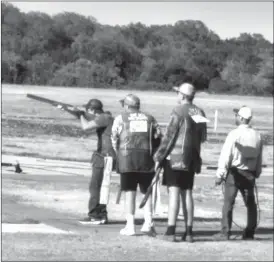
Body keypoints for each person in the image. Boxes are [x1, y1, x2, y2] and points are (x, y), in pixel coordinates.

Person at [154, 83, 208, 242]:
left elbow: (169, 136)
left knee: (174, 192)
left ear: (183, 96)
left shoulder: (178, 111)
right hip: (192, 158)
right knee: (188, 193)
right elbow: (203, 136)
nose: (177, 95)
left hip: (176, 158)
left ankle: (171, 231)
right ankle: (189, 232)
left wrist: (158, 157)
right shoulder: (199, 111)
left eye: (178, 93)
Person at [111, 94, 162, 236]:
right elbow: (158, 136)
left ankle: (130, 226)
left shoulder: (120, 118)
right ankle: (148, 223)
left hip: (127, 159)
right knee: (147, 191)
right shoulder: (150, 118)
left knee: (129, 192)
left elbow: (114, 138)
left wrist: (118, 153)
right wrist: (155, 154)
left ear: (127, 106)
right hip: (147, 159)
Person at [213, 106, 263, 240]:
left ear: (241, 118)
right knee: (251, 204)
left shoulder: (234, 134)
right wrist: (257, 171)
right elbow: (259, 156)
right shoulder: (257, 134)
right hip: (250, 173)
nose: (235, 117)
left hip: (235, 173)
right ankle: (249, 232)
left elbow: (225, 155)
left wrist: (220, 174)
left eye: (237, 115)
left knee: (228, 203)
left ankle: (225, 232)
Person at [76, 99, 116, 225]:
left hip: (104, 156)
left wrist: (80, 115)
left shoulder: (104, 118)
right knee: (101, 187)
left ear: (92, 110)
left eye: (87, 110)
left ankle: (95, 215)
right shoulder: (106, 117)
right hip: (106, 156)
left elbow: (86, 127)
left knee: (95, 187)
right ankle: (101, 214)